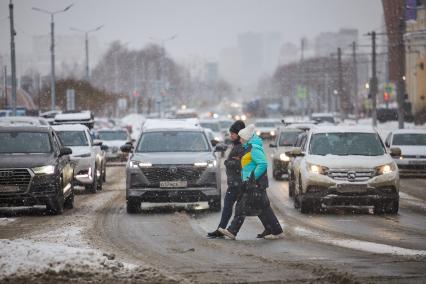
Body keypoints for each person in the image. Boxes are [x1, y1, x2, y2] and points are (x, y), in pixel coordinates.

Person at [219, 124, 284, 240]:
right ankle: (276, 230)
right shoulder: (249, 147)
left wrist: (253, 177)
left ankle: (232, 231)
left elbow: (263, 164)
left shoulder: (254, 148)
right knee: (264, 208)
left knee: (241, 207)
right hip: (253, 183)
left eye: (242, 138)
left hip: (255, 184)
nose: (241, 140)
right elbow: (251, 163)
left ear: (247, 138)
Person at [207, 120, 246, 238]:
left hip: (239, 182)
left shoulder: (242, 147)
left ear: (239, 134)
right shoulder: (238, 145)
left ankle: (223, 229)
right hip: (235, 182)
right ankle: (222, 229)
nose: (231, 136)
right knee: (234, 207)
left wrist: (228, 162)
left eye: (233, 133)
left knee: (239, 208)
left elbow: (241, 164)